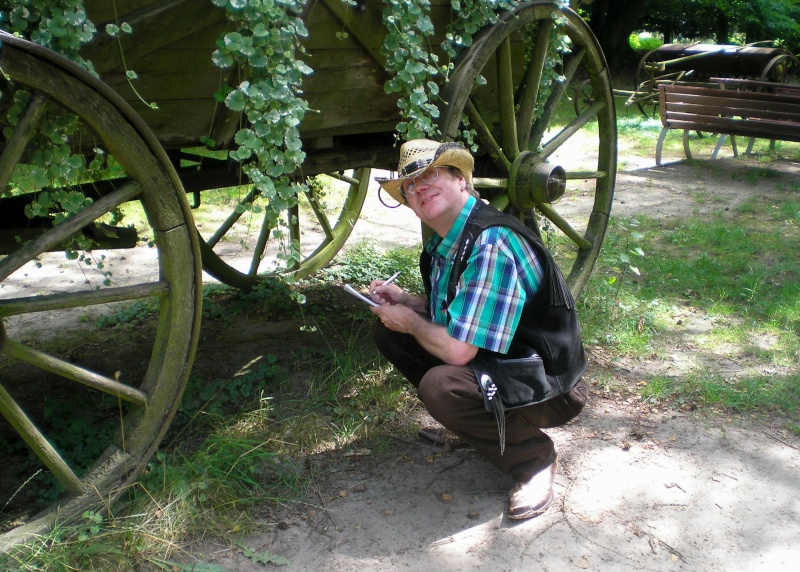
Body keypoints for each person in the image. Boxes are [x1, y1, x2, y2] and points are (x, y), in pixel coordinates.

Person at [369, 139, 588, 519]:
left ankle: (533, 460)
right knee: (393, 333)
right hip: (505, 361)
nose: (419, 187)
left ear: (460, 180)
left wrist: (409, 320)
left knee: (441, 386)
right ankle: (485, 430)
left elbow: (458, 351)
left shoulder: (490, 242)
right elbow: (463, 311)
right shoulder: (447, 240)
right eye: (410, 185)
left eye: (430, 175)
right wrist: (409, 303)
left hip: (549, 384)